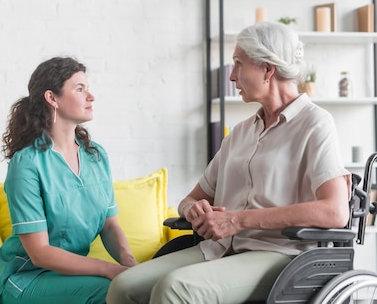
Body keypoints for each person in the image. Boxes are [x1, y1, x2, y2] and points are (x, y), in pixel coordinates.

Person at [107, 21, 350, 304]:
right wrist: (194, 209)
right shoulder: (241, 133)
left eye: (238, 64)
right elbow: (189, 199)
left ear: (267, 69)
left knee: (175, 289)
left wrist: (236, 220)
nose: (232, 76)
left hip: (277, 254)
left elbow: (335, 211)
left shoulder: (315, 124)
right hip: (219, 248)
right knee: (124, 286)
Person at [0, 56, 137, 304]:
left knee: (139, 287)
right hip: (28, 279)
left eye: (88, 89)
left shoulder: (96, 156)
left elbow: (109, 226)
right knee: (110, 291)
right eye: (80, 89)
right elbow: (40, 253)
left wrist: (131, 265)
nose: (91, 97)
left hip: (74, 276)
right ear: (52, 98)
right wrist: (109, 269)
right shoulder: (27, 164)